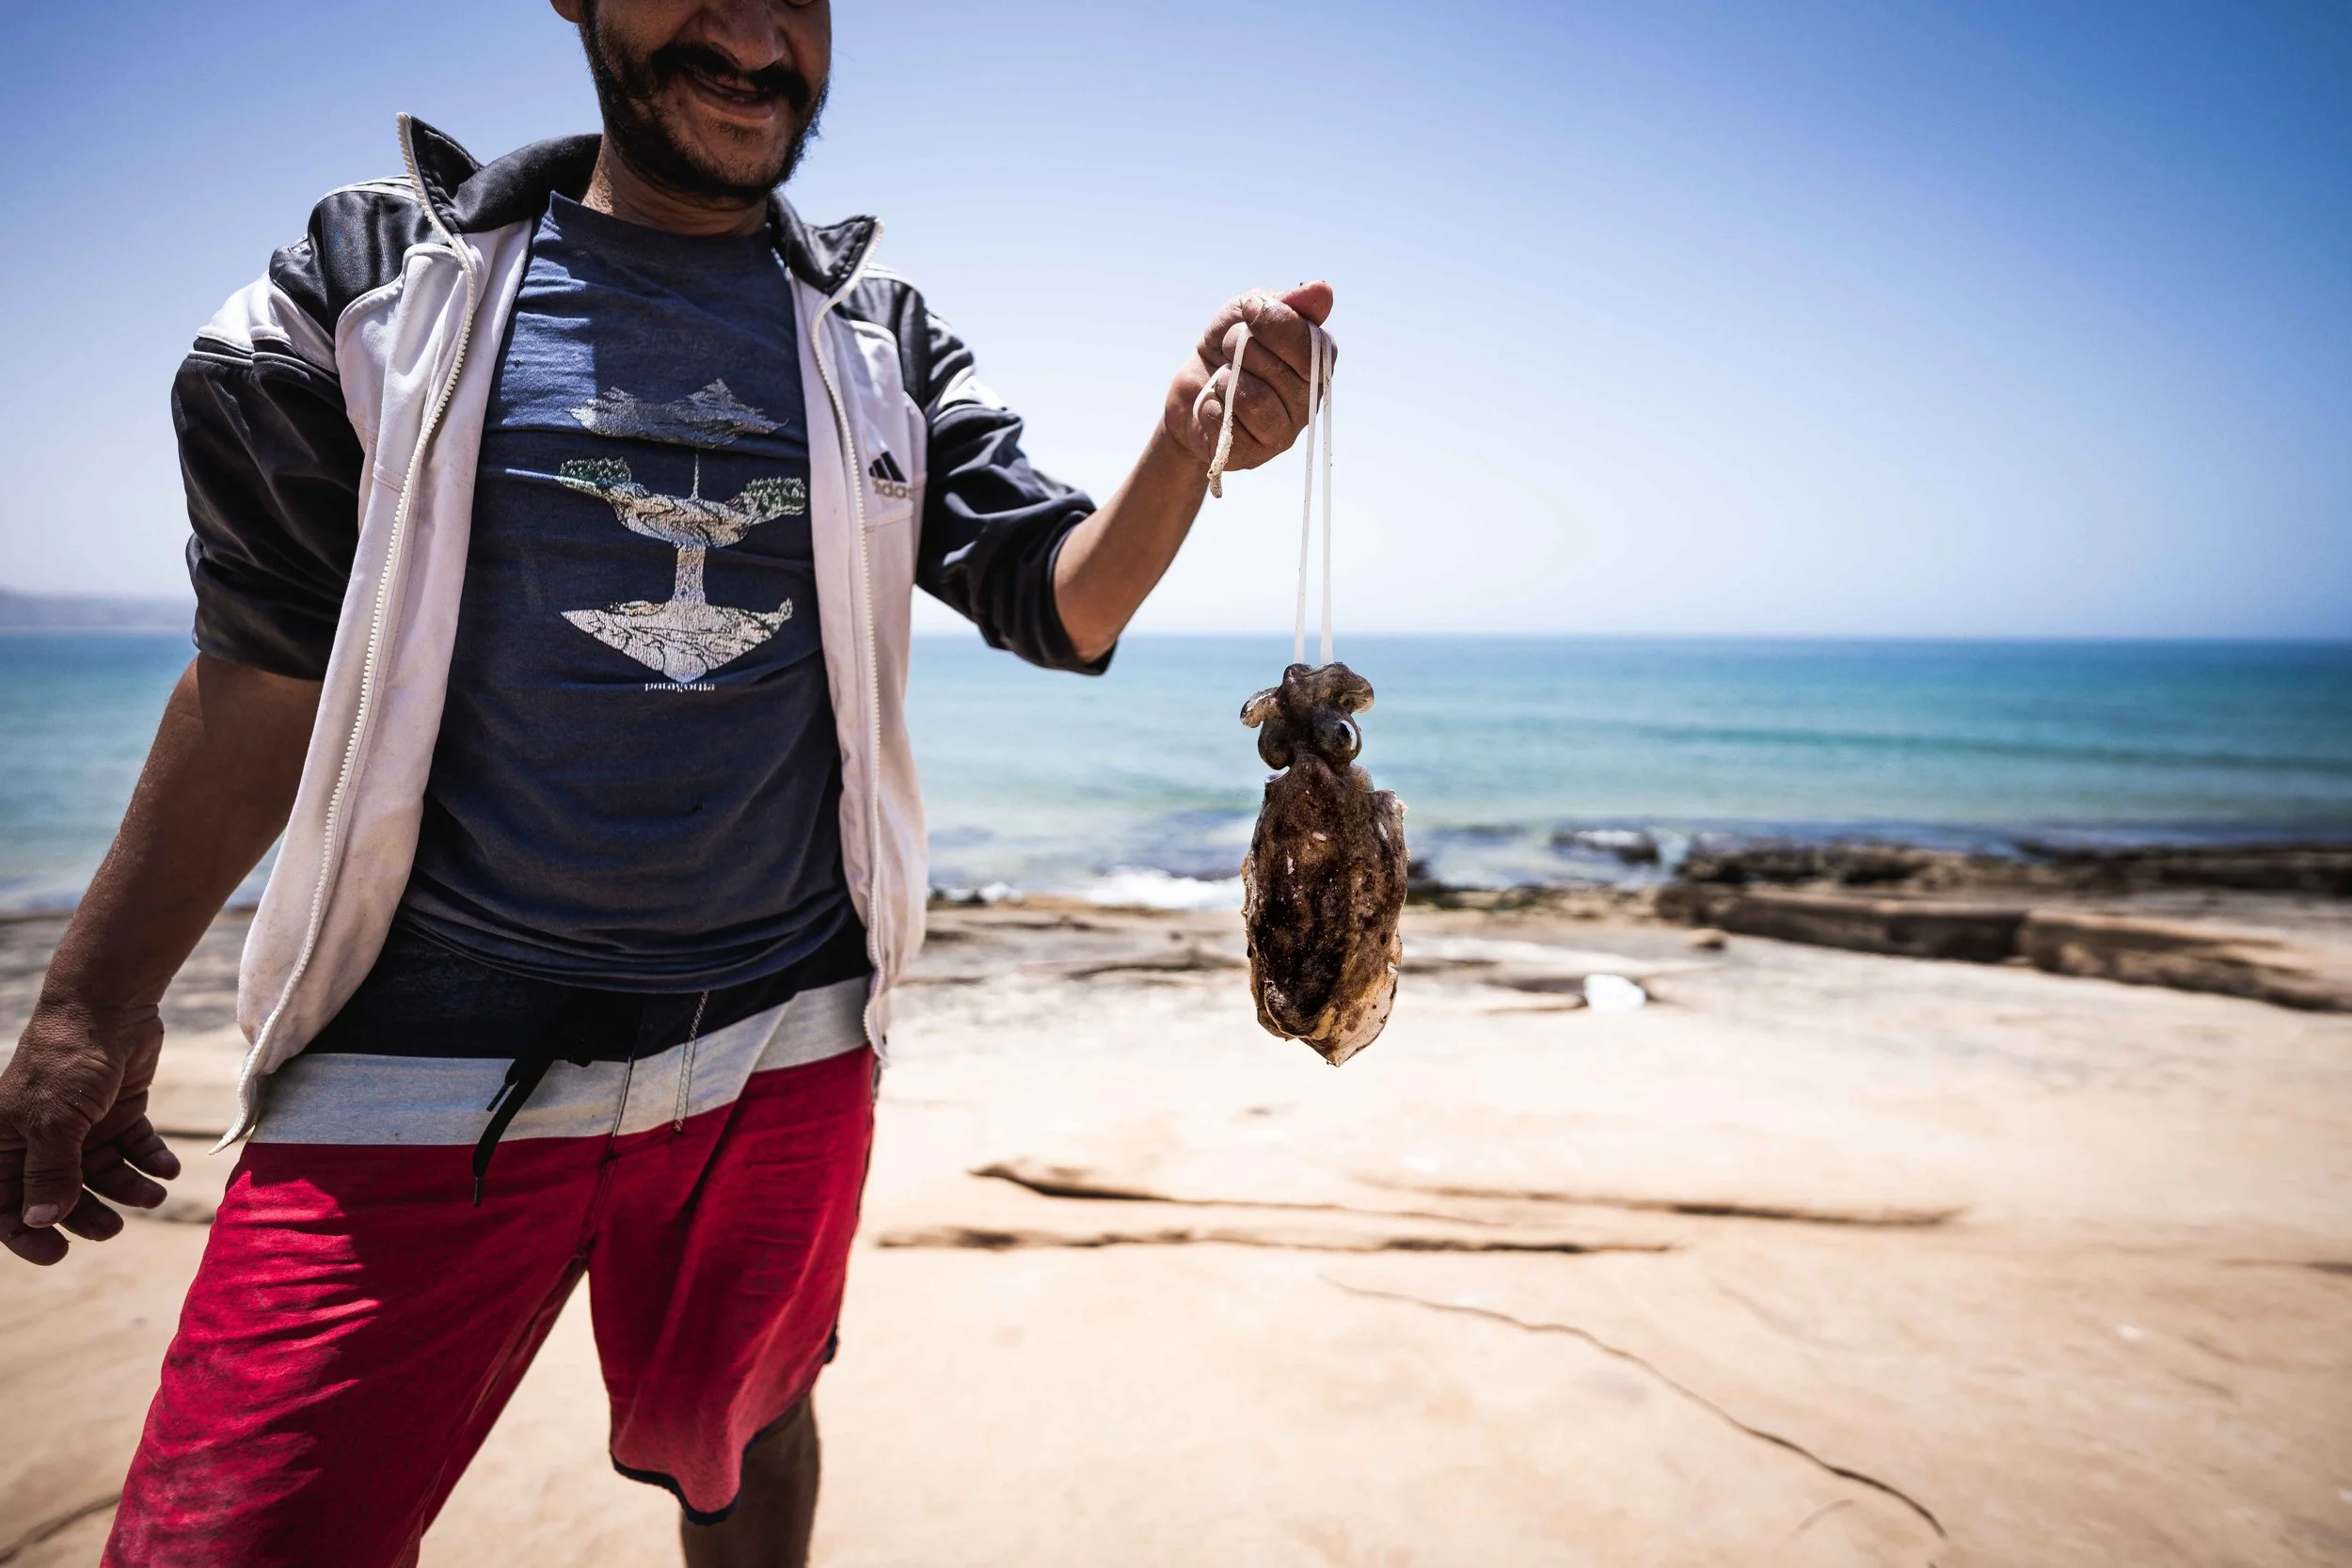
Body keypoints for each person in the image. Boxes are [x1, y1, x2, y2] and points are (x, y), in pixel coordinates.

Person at [0, 2, 1330, 1562]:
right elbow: (261, 677)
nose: (756, 30)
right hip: (410, 1072)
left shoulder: (874, 337)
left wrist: (1189, 443)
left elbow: (1064, 599)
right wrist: (91, 1004)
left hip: (783, 1045)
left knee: (750, 1435)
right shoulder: (371, 290)